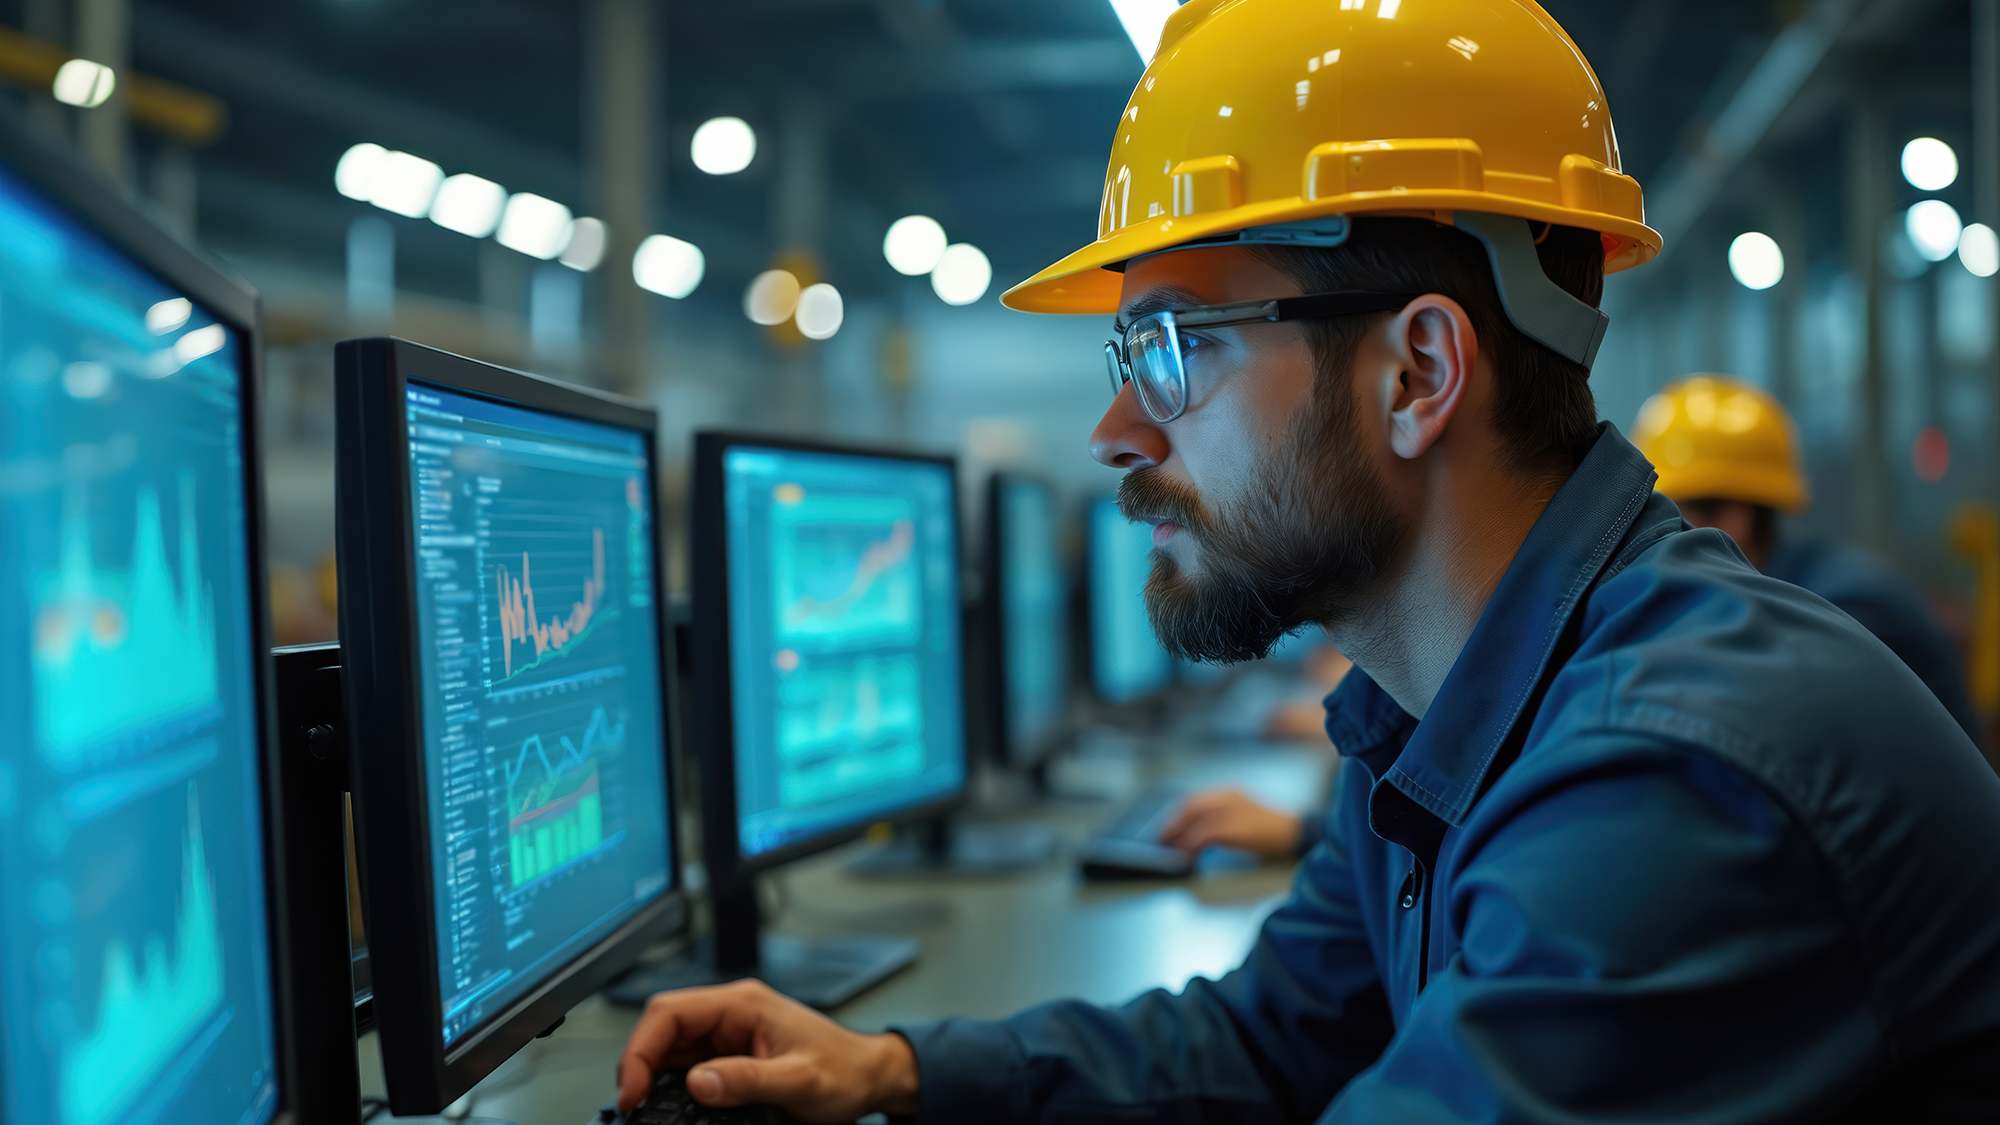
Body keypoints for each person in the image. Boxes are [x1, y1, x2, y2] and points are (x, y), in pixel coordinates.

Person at [618, 2, 2000, 1121]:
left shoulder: (1676, 780)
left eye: (1169, 351)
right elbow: (1270, 1040)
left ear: (1418, 372)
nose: (1112, 433)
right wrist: (898, 1073)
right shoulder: (1435, 707)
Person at [1632, 374, 1983, 743]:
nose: (1658, 538)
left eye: (1670, 514)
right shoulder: (1778, 596)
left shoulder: (1841, 612)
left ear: (1733, 518)